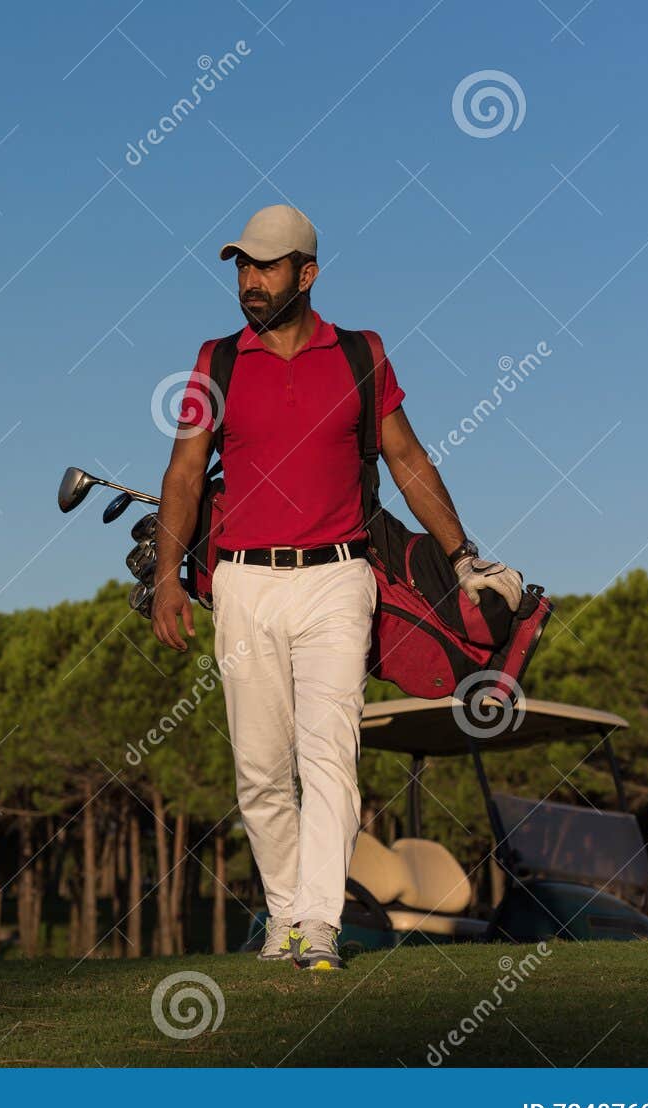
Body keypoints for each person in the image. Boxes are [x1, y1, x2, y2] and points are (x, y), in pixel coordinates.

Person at [150, 205, 524, 970]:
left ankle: (317, 924)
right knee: (259, 769)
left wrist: (462, 556)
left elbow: (408, 459)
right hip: (244, 582)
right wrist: (167, 575)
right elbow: (185, 472)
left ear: (307, 273)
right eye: (242, 268)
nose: (251, 282)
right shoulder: (214, 361)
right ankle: (284, 913)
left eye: (266, 266)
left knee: (330, 755)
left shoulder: (363, 354)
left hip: (339, 580)